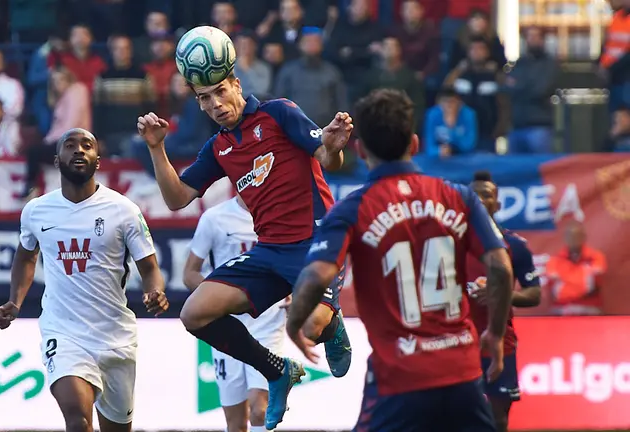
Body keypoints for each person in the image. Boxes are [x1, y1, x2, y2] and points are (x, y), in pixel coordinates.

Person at [288, 89, 514, 431]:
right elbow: (501, 267)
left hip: (399, 379)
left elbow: (317, 275)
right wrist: (495, 335)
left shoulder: (352, 209)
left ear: (361, 150)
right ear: (416, 143)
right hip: (463, 374)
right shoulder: (458, 196)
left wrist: (294, 323)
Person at [137, 73, 353, 429]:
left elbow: (329, 161)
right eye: (205, 99)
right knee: (193, 314)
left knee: (312, 327)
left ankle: (333, 325)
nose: (215, 105)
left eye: (220, 92)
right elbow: (177, 199)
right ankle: (277, 370)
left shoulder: (279, 113)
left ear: (236, 84)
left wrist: (332, 146)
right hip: (269, 250)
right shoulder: (219, 148)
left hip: (316, 243)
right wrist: (156, 148)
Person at [0, 128, 168, 432]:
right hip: (63, 332)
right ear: (57, 160)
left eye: (87, 146)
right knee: (77, 418)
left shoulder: (124, 210)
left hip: (116, 337)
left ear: (98, 160)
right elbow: (25, 257)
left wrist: (155, 291)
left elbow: (149, 266)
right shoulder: (36, 211)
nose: (79, 151)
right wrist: (14, 301)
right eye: (70, 146)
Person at [183, 193, 288, 432]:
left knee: (260, 409)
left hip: (268, 323)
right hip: (226, 327)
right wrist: (216, 300)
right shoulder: (214, 218)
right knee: (236, 422)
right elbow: (190, 273)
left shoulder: (281, 215)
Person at [466, 170, 542, 432]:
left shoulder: (514, 246)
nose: (478, 199)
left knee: (498, 419)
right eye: (473, 195)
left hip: (500, 342)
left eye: (485, 195)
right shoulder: (452, 242)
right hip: (459, 342)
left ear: (496, 204)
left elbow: (534, 294)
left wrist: (501, 294)